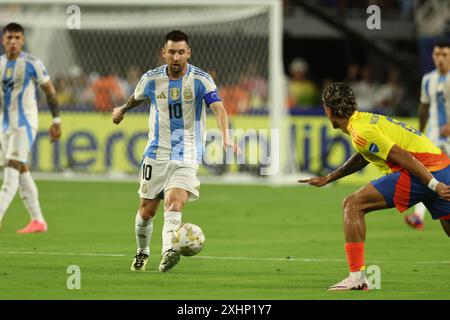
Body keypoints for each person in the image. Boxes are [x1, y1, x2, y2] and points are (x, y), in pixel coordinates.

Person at [298, 82, 450, 291]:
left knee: (353, 204)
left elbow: (401, 155)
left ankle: (357, 277)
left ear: (328, 110)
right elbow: (365, 156)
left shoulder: (361, 131)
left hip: (422, 172)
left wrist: (434, 185)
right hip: (441, 165)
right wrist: (329, 178)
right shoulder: (364, 121)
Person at [112, 30, 239, 272]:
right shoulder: (151, 79)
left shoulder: (201, 80)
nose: (176, 57)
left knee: (175, 204)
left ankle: (168, 250)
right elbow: (137, 97)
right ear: (164, 53)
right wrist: (122, 109)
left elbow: (219, 109)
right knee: (147, 211)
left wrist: (226, 136)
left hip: (187, 153)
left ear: (188, 53)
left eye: (181, 52)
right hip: (156, 153)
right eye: (172, 52)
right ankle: (142, 251)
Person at [0, 23, 61, 232]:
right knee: (21, 168)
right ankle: (38, 220)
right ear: (3, 40)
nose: (13, 42)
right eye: (9, 38)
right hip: (4, 124)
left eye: (17, 38)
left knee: (11, 170)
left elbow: (50, 92)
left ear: (23, 41)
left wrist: (56, 121)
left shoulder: (32, 63)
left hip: (24, 124)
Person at [404, 40, 450, 229]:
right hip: (433, 135)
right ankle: (418, 216)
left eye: (444, 55)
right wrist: (419, 131)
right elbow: (424, 107)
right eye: (437, 54)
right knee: (426, 173)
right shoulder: (428, 79)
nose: (440, 59)